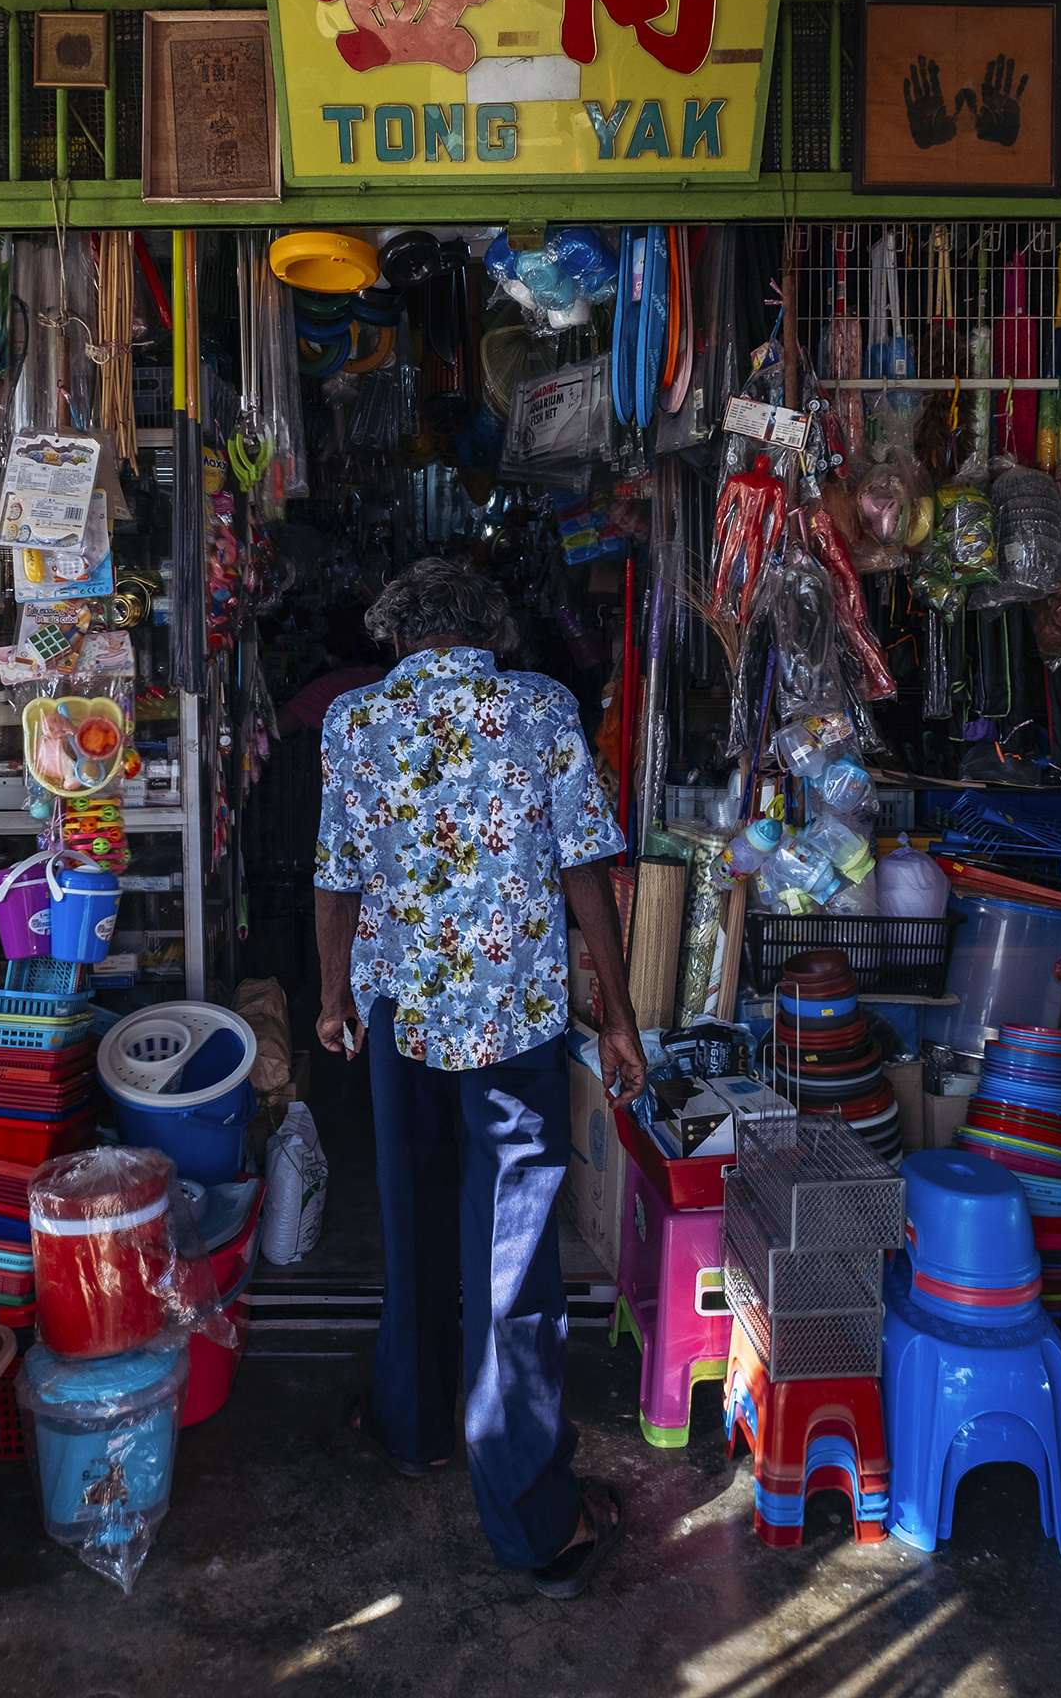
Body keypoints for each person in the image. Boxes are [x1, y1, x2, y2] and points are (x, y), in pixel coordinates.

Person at [312, 558, 647, 1601]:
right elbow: (583, 867)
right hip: (509, 1018)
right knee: (510, 1264)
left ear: (398, 631)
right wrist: (619, 1008)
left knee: (412, 1217)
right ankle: (538, 1520)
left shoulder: (356, 719)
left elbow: (335, 875)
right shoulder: (540, 705)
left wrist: (331, 998)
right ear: (487, 629)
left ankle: (413, 1427)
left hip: (399, 1008)